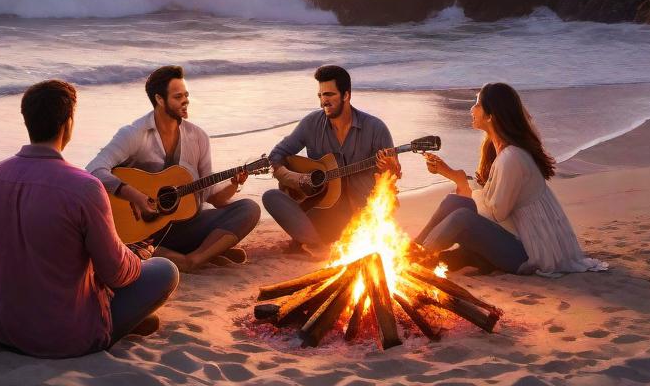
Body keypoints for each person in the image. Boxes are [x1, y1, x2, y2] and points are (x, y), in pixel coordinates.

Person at [0, 80, 179, 358]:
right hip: (66, 337)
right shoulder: (83, 187)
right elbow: (117, 274)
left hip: (3, 329)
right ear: (68, 123)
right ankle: (124, 319)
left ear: (27, 120)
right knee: (164, 270)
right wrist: (135, 256)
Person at [416, 82, 607, 276]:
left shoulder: (512, 158)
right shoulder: (500, 150)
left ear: (491, 116)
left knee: (462, 217)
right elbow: (489, 205)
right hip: (514, 237)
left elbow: (497, 213)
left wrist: (461, 182)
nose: (472, 109)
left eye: (478, 104)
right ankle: (411, 251)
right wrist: (454, 177)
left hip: (530, 252)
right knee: (454, 202)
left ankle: (415, 260)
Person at [87, 65, 260, 273]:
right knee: (119, 243)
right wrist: (136, 196)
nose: (185, 100)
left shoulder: (198, 137)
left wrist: (234, 184)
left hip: (184, 226)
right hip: (141, 231)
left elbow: (210, 196)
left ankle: (193, 259)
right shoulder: (134, 133)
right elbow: (94, 169)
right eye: (178, 97)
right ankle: (206, 252)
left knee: (249, 209)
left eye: (186, 95)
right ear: (160, 100)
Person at [263, 64, 399, 251]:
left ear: (346, 95)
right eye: (320, 95)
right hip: (321, 211)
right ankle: (316, 244)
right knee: (271, 197)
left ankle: (310, 242)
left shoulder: (376, 128)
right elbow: (276, 155)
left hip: (361, 214)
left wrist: (390, 168)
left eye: (329, 95)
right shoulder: (311, 123)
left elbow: (393, 177)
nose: (323, 102)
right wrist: (296, 179)